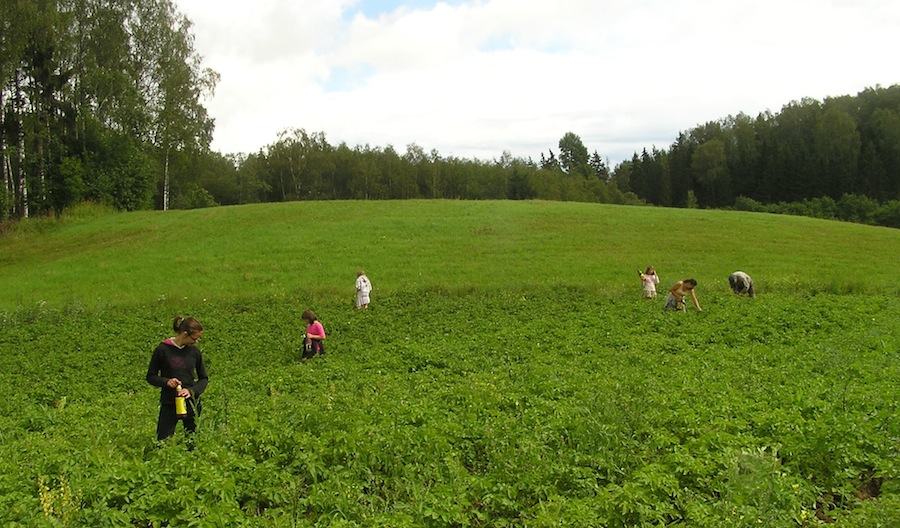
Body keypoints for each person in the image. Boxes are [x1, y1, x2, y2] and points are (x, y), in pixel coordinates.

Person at [146, 316, 208, 441]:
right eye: (195, 338)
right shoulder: (162, 350)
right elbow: (151, 376)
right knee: (163, 440)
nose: (196, 342)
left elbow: (204, 379)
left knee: (193, 440)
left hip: (191, 403)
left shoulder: (194, 352)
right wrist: (166, 382)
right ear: (185, 334)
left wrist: (191, 391)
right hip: (169, 403)